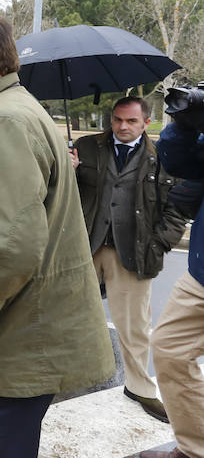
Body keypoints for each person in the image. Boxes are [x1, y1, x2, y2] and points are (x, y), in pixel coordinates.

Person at [0, 16, 115, 458]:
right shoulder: (1, 115)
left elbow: (3, 249)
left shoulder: (4, 121)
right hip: (12, 341)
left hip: (9, 348)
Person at [70, 96, 186, 423]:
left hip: (134, 253)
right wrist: (69, 171)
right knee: (66, 313)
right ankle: (60, 376)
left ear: (146, 123)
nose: (122, 126)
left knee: (135, 327)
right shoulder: (86, 147)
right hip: (85, 246)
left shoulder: (163, 156)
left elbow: (177, 208)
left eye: (131, 121)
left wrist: (158, 244)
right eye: (117, 120)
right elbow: (63, 194)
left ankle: (139, 388)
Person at [139, 122, 204, 458]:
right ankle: (196, 448)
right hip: (201, 275)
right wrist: (186, 121)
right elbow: (176, 161)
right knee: (168, 349)